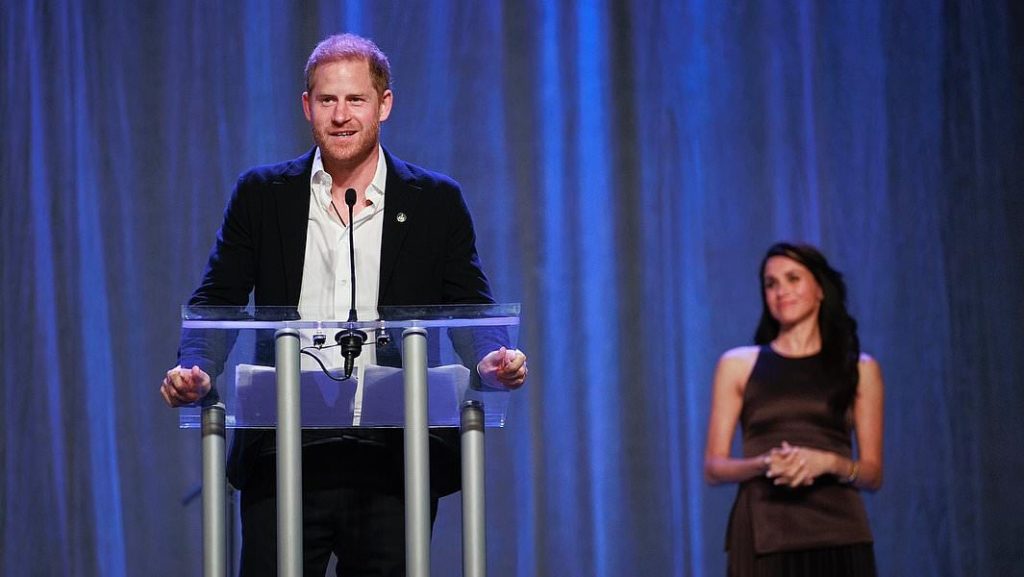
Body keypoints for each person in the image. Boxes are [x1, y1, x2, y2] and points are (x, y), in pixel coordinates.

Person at [159, 33, 527, 576]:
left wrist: (492, 359)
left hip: (394, 456)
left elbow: (468, 307)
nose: (341, 115)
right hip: (283, 450)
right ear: (307, 106)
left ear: (384, 105)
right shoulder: (262, 195)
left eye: (355, 99)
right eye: (327, 100)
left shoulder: (434, 202)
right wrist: (196, 368)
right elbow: (216, 300)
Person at [704, 242, 884, 577]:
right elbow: (714, 467)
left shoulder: (861, 369)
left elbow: (872, 474)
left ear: (820, 290)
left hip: (839, 534)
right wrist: (764, 463)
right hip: (764, 533)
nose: (781, 291)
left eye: (792, 279)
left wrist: (827, 462)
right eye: (771, 284)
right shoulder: (738, 364)